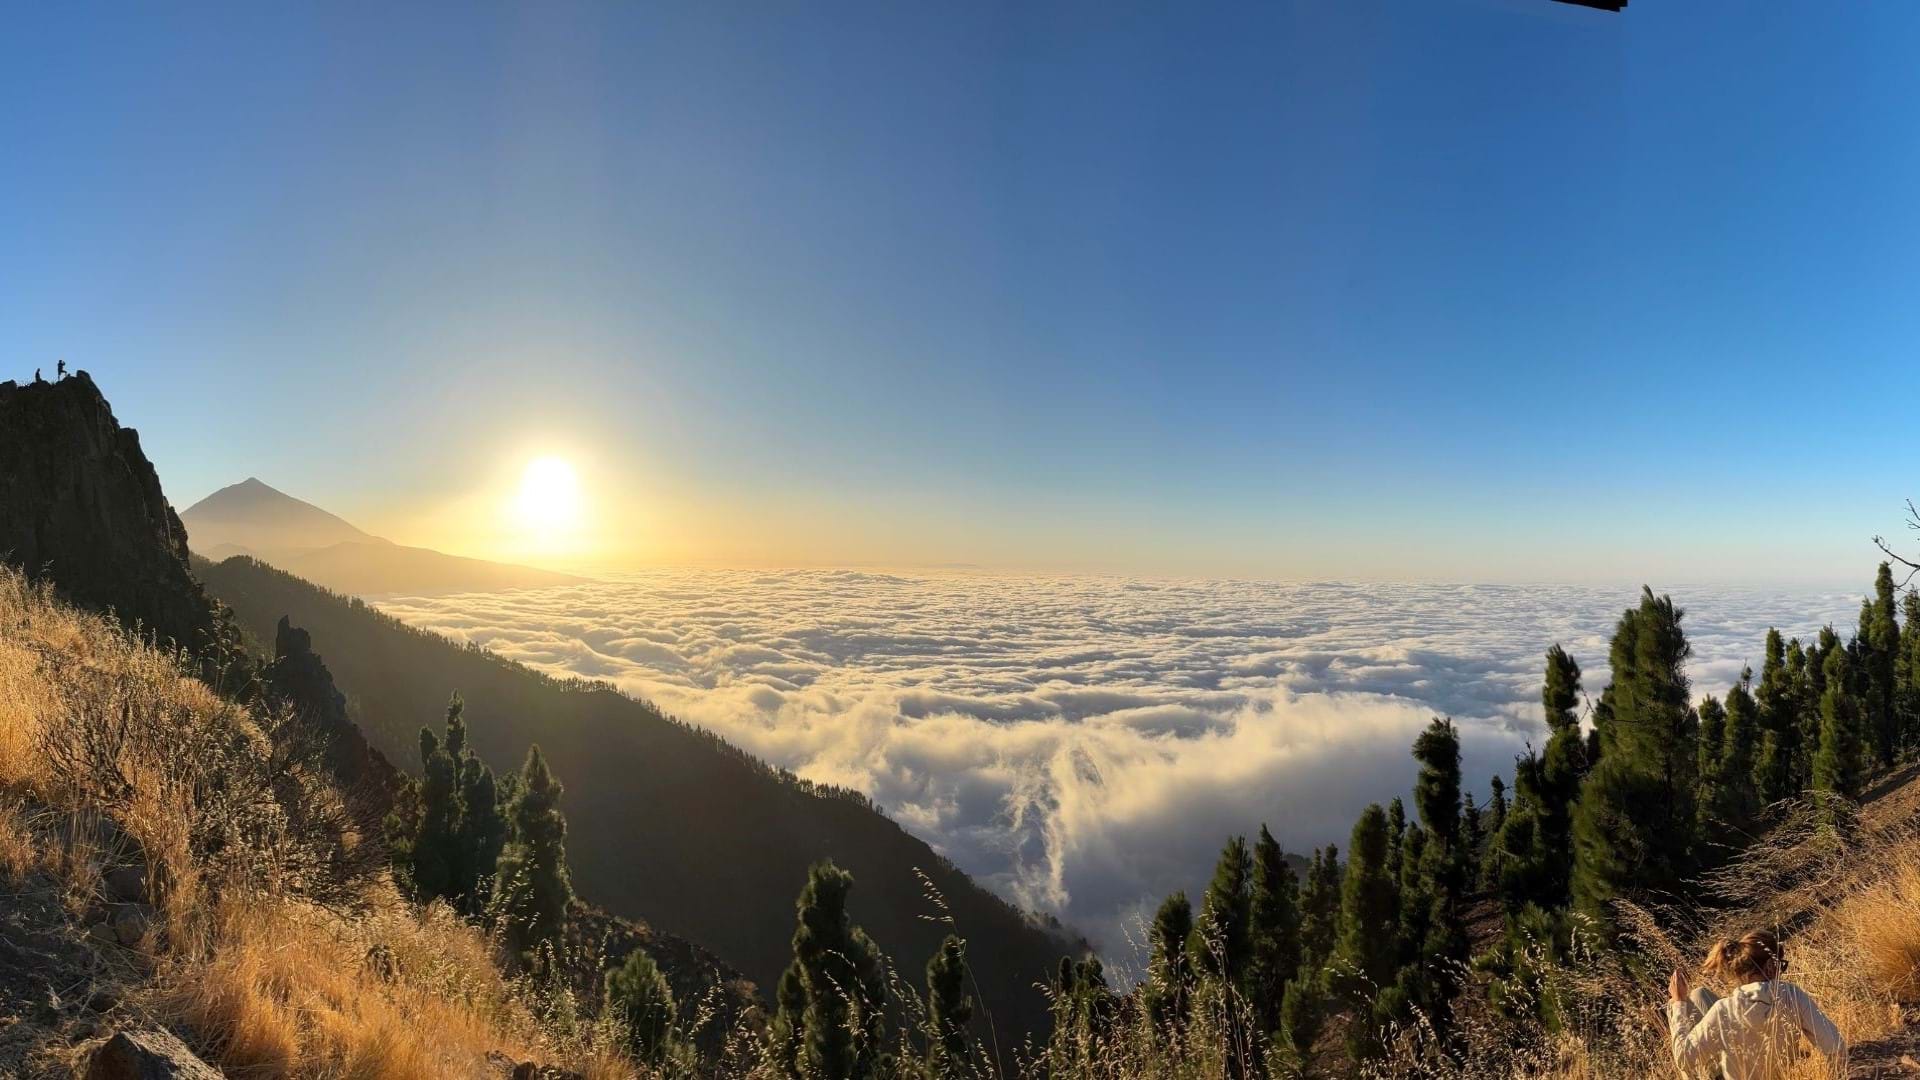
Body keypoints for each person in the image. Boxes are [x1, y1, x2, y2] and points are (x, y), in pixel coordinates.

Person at [1668, 930, 1845, 1080]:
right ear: (1769, 965)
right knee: (1699, 994)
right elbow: (1835, 1045)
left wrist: (1678, 1003)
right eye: (1779, 965)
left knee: (1677, 1005)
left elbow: (1684, 1059)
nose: (1780, 972)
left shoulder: (1724, 1010)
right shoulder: (1791, 994)